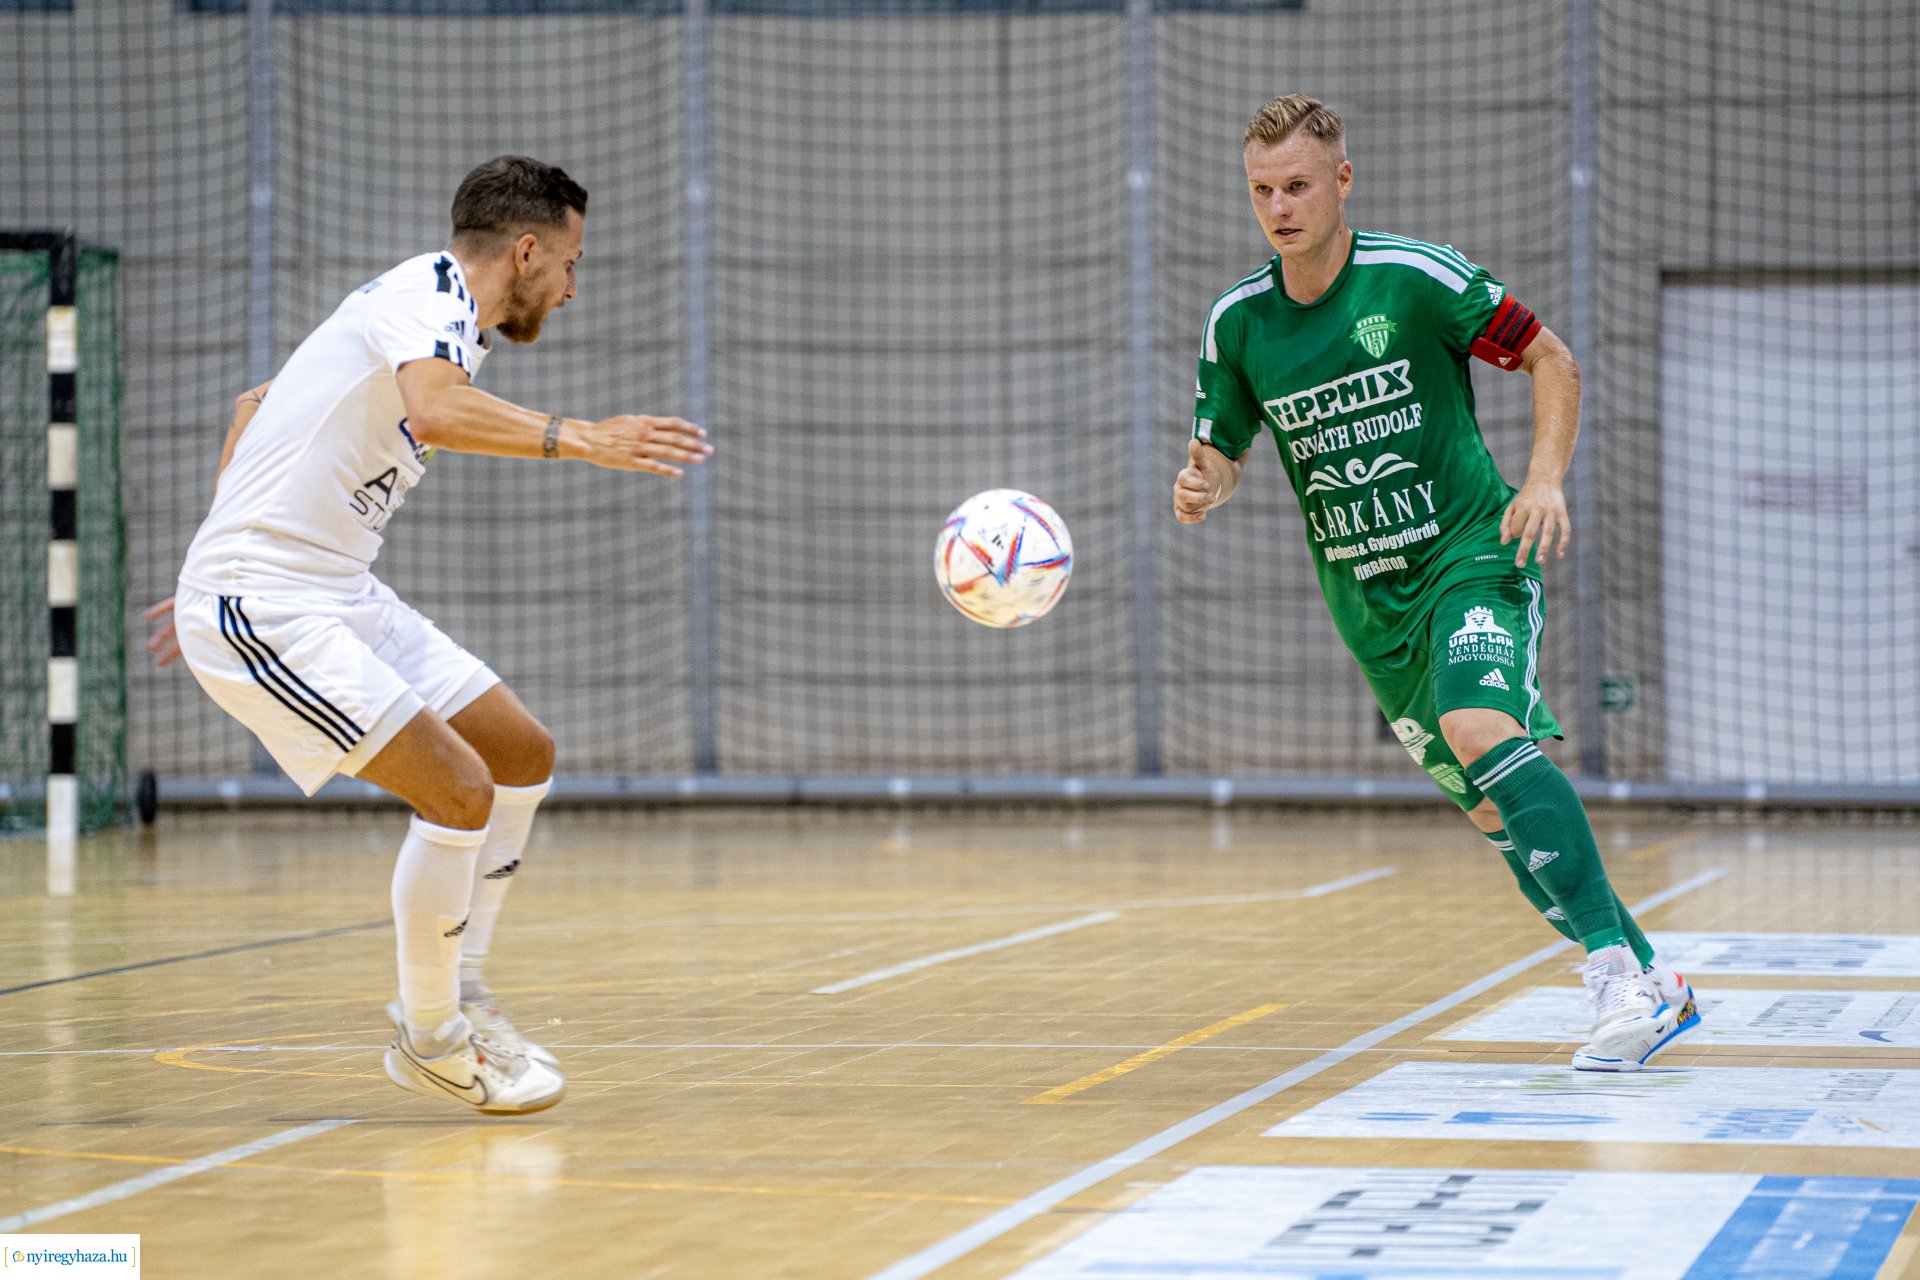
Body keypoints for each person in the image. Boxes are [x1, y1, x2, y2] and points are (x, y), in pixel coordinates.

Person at [145, 156, 712, 1112]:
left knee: (522, 753)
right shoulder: (426, 294)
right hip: (270, 599)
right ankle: (432, 1035)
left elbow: (257, 404)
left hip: (330, 586)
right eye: (571, 263)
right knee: (460, 791)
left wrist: (224, 533)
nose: (574, 287)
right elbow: (436, 413)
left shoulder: (443, 316)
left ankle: (470, 988)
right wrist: (586, 436)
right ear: (525, 249)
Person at [1174, 95, 1699, 1071]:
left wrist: (1542, 478)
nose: (1278, 206)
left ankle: (1612, 979)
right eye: (1260, 191)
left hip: (1468, 552)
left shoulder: (1414, 280)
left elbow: (1550, 357)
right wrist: (1205, 481)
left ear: (1341, 181)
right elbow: (1224, 449)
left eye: (1296, 185)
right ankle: (1652, 977)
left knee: (1479, 729)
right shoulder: (1239, 322)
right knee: (1498, 808)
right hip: (1370, 609)